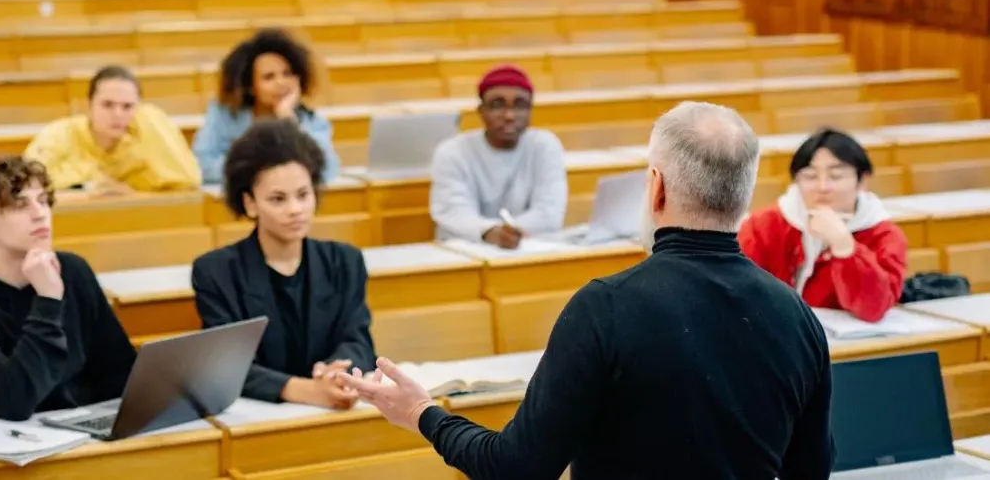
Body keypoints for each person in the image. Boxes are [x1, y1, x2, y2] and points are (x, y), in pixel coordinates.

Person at [339, 102, 835, 480]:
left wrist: (422, 414)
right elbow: (811, 469)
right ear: (743, 194)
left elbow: (518, 468)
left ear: (655, 186)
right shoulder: (796, 314)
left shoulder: (606, 307)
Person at [0, 156, 137, 423]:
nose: (40, 214)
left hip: (80, 435)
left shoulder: (74, 271)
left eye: (42, 201)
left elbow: (119, 371)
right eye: (20, 205)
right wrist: (48, 300)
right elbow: (14, 400)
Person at [191, 118, 375, 409]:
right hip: (257, 417)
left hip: (331, 411)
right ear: (250, 203)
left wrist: (336, 372)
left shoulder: (345, 261)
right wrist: (308, 390)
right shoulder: (215, 272)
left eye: (303, 195)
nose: (295, 210)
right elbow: (227, 367)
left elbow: (359, 341)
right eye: (278, 199)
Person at [738, 128, 907, 323]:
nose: (823, 187)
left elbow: (873, 309)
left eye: (836, 176)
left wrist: (845, 247)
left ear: (863, 180)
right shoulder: (764, 225)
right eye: (810, 176)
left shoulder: (884, 235)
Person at [429, 64, 567, 249]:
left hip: (529, 249)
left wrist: (509, 233)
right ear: (481, 110)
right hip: (467, 251)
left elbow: (549, 213)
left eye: (520, 105)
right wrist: (490, 232)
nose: (509, 115)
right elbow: (453, 212)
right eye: (497, 105)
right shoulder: (452, 151)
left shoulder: (544, 146)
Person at [192, 28, 340, 185]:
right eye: (269, 77)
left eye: (287, 74)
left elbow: (326, 170)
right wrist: (264, 172)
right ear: (250, 86)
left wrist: (288, 120)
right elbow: (202, 165)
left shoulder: (310, 120)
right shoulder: (224, 114)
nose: (281, 83)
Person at [23, 65, 201, 194]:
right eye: (107, 105)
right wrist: (92, 189)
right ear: (88, 106)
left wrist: (151, 116)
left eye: (128, 107)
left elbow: (188, 181)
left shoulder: (142, 141)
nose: (118, 114)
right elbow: (24, 188)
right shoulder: (58, 136)